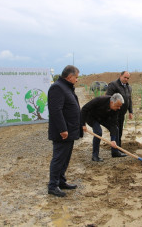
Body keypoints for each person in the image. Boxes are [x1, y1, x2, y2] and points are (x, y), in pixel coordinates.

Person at [47, 65, 83, 197]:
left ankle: (61, 181)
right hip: (62, 133)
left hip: (70, 131)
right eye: (76, 77)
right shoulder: (57, 88)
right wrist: (62, 129)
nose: (77, 80)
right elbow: (56, 110)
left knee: (65, 158)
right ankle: (53, 185)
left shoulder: (66, 87)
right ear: (69, 76)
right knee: (59, 158)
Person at [81, 93, 124, 162]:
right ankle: (95, 156)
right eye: (117, 106)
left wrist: (113, 140)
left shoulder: (117, 108)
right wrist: (83, 124)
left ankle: (115, 152)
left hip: (103, 117)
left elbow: (113, 123)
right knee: (98, 132)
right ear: (112, 102)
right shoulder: (100, 100)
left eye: (120, 106)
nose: (119, 108)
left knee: (116, 129)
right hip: (91, 117)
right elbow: (84, 109)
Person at [106, 71, 133, 154]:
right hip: (114, 112)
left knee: (120, 130)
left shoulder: (129, 87)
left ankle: (118, 147)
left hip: (122, 113)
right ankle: (115, 150)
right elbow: (108, 98)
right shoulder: (113, 85)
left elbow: (129, 100)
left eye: (128, 78)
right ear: (120, 76)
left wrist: (130, 111)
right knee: (115, 130)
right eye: (125, 77)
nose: (126, 79)